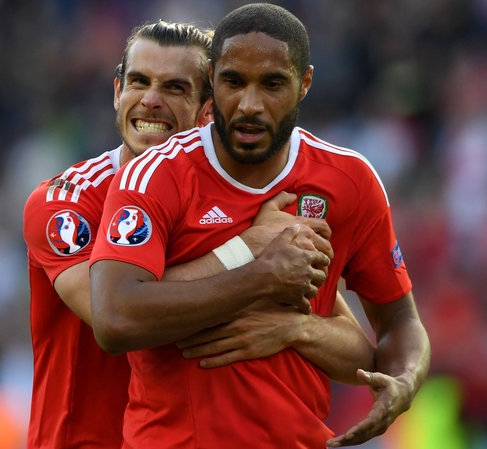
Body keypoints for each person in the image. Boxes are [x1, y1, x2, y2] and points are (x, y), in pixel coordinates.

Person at [23, 21, 378, 449]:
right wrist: (246, 251)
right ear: (117, 92)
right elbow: (111, 314)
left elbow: (355, 349)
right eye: (138, 82)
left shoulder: (239, 205)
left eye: (175, 88)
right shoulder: (67, 202)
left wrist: (297, 329)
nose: (150, 100)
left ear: (211, 108)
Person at [89, 4, 431, 449]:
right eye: (233, 82)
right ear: (212, 79)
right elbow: (115, 319)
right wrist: (259, 276)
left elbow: (399, 319)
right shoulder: (155, 175)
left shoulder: (350, 181)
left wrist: (404, 379)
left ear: (304, 83)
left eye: (272, 84)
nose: (250, 105)